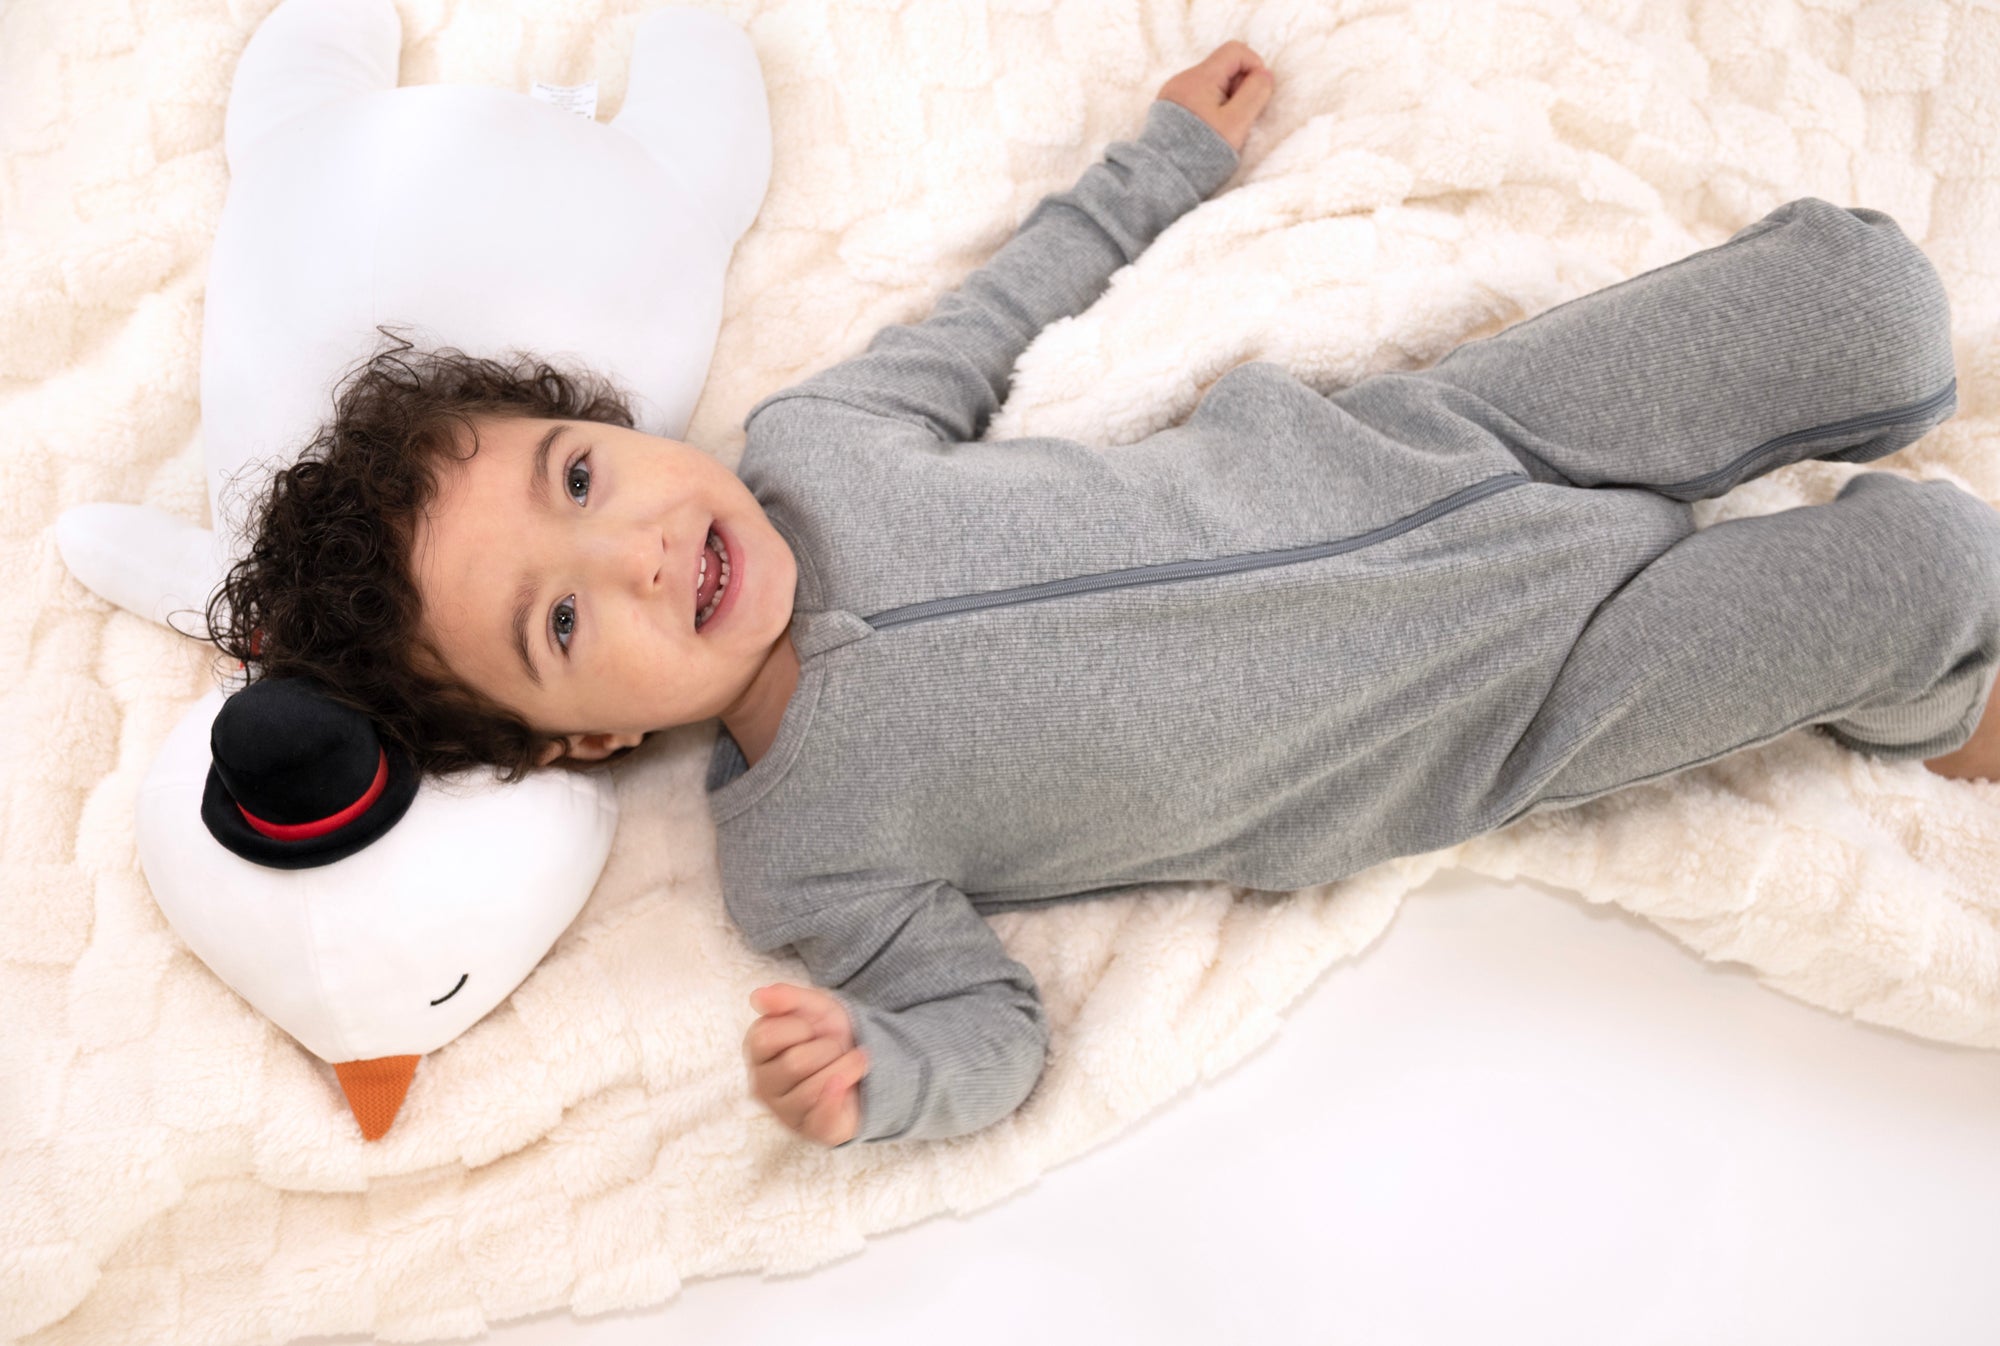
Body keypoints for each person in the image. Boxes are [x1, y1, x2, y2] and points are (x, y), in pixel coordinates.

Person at [209, 41, 2000, 1151]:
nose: (635, 550)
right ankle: (1939, 706)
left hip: (1449, 440)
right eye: (563, 620)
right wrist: (876, 1076)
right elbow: (992, 1036)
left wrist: (1164, 164)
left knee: (1872, 298)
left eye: (580, 479)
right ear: (588, 729)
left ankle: (1858, 408)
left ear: (603, 428)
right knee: (1931, 571)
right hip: (1495, 709)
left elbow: (1002, 311)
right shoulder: (805, 863)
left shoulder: (820, 436)